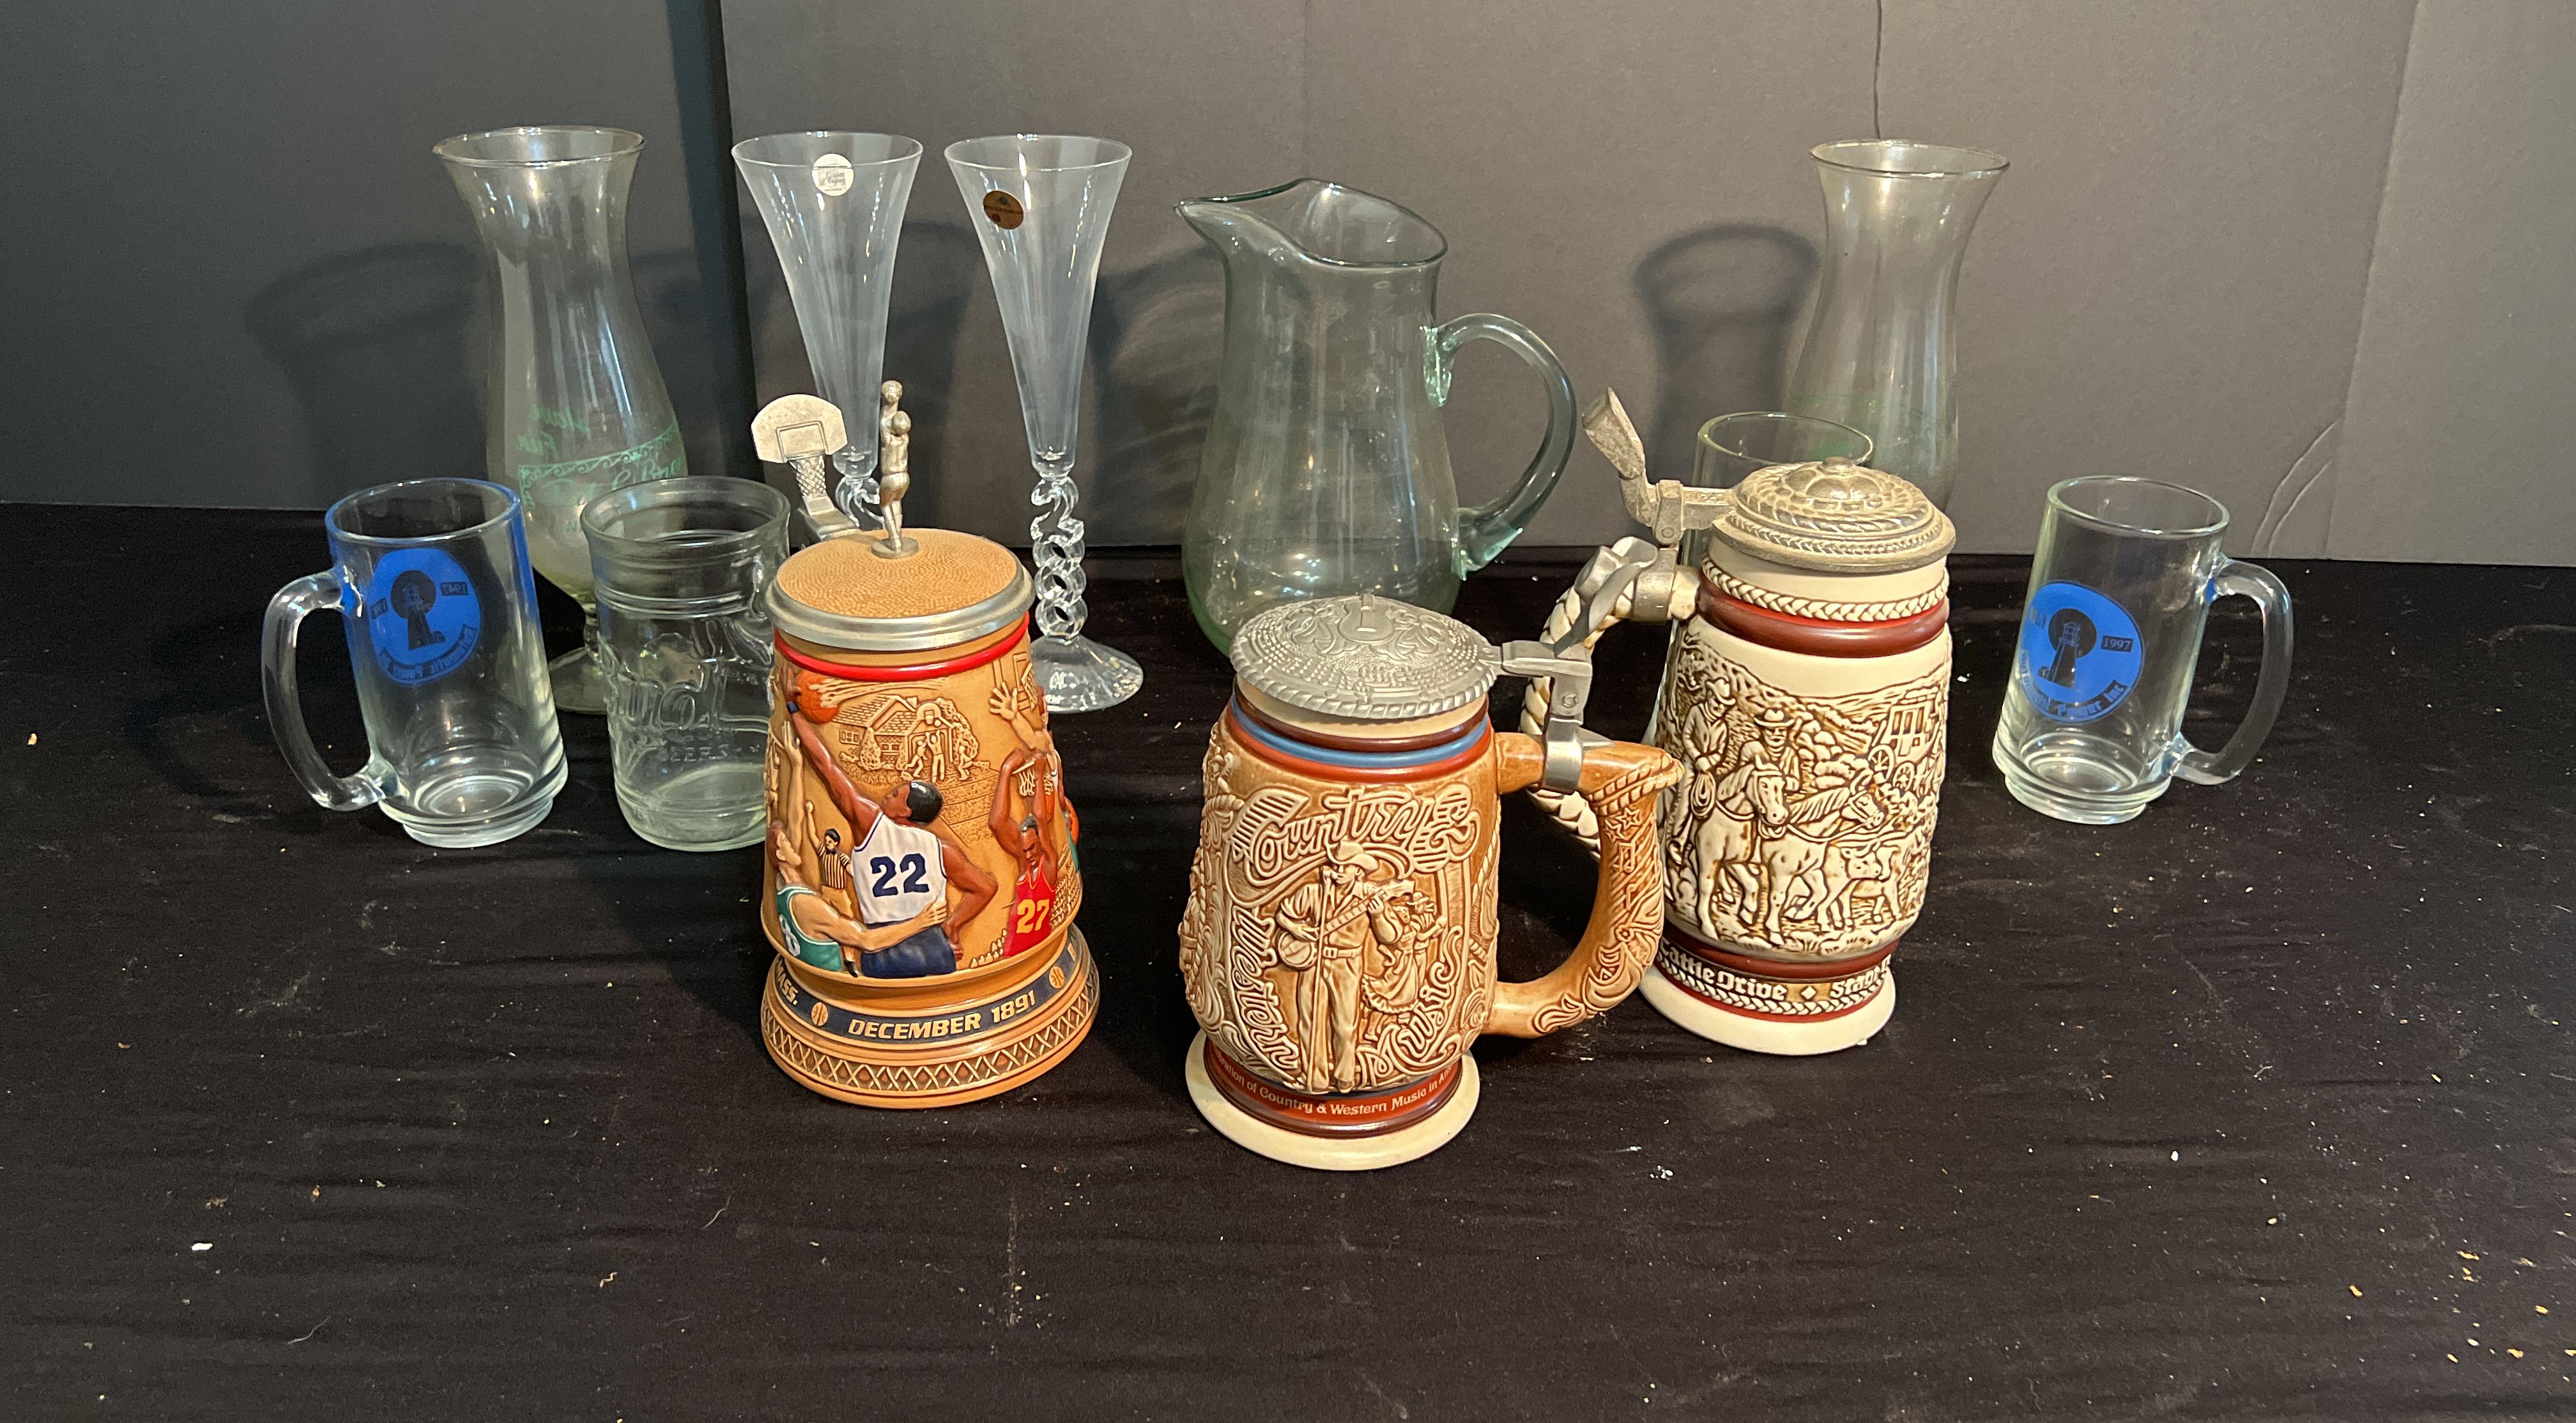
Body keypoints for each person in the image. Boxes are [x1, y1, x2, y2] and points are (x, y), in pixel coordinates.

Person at [793, 710, 997, 977]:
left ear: (906, 812)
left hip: (884, 945)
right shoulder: (942, 850)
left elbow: (826, 767)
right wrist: (953, 926)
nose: (889, 794)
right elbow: (986, 887)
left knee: (882, 995)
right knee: (936, 996)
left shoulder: (869, 825)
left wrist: (795, 713)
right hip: (933, 946)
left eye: (896, 794)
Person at [1270, 842, 1416, 1093]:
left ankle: (1345, 1077)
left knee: (1345, 1023)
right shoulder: (1315, 891)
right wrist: (1297, 929)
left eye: (1344, 867)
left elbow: (1391, 936)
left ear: (1359, 870)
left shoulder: (1371, 896)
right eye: (1335, 865)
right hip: (1313, 960)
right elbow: (1283, 916)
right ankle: (1314, 1079)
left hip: (1346, 964)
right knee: (1309, 1020)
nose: (1337, 871)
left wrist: (1379, 915)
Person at [769, 823, 948, 976]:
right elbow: (867, 941)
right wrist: (920, 922)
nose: (793, 844)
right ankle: (850, 963)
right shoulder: (808, 905)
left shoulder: (783, 891)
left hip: (807, 975)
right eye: (787, 842)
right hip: (836, 988)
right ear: (780, 855)